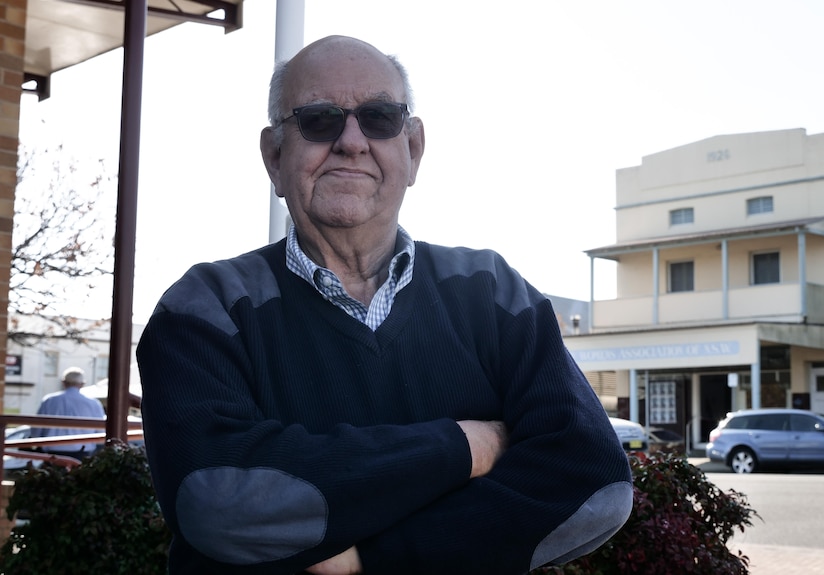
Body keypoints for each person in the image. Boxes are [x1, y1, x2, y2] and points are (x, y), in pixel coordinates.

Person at [137, 35, 633, 575]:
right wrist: (466, 446)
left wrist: (372, 559)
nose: (352, 141)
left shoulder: (492, 293)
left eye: (379, 117)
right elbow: (215, 497)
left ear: (413, 149)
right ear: (275, 156)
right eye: (319, 120)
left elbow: (593, 482)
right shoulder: (205, 308)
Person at [34, 366, 105, 460]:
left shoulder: (49, 400)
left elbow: (36, 430)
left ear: (63, 383)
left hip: (52, 452)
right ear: (82, 384)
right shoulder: (93, 403)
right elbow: (101, 432)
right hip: (82, 452)